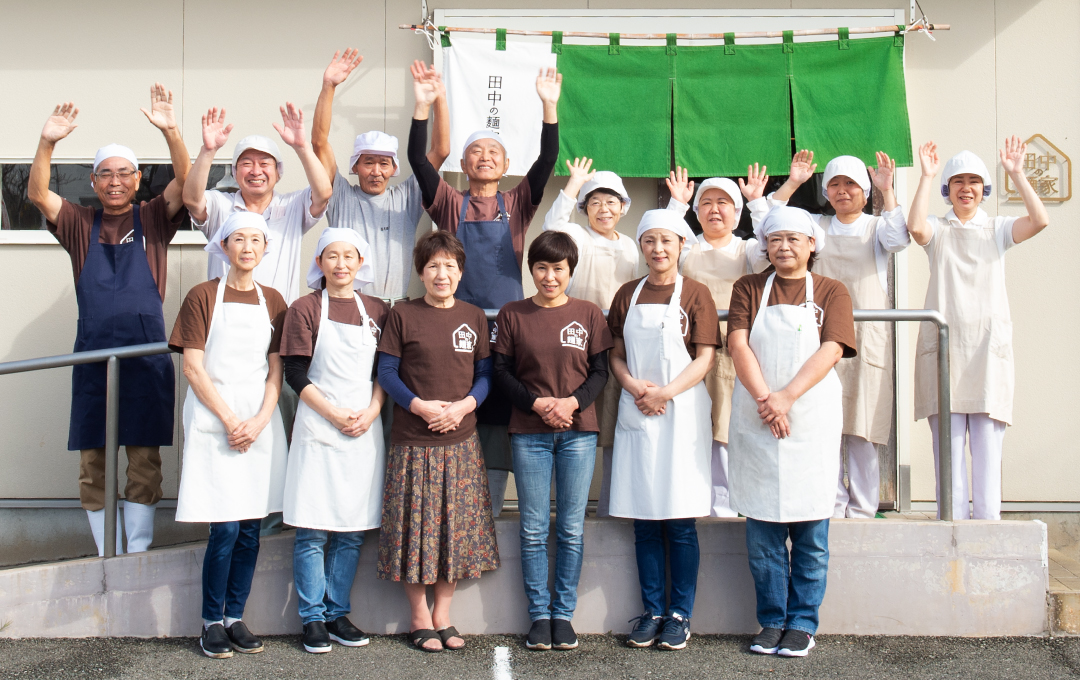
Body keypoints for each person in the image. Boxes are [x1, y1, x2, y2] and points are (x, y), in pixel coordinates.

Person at [26, 86, 190, 556]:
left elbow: (186, 181)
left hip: (145, 356)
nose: (115, 182)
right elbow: (37, 193)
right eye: (105, 175)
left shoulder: (155, 218)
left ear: (138, 179)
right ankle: (105, 555)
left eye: (123, 174)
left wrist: (170, 130)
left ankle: (134, 554)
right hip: (93, 358)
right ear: (94, 182)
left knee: (143, 462)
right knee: (93, 463)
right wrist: (47, 142)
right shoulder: (80, 223)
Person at [407, 64, 562, 515]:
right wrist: (422, 106)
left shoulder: (517, 204)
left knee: (501, 404)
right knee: (458, 400)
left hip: (508, 325)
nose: (485, 157)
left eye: (494, 151)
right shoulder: (448, 202)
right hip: (454, 324)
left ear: (507, 165)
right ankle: (450, 504)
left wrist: (549, 107)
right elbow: (419, 160)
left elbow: (547, 161)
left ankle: (488, 509)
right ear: (463, 162)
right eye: (476, 151)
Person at [727, 206, 856, 658]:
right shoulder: (748, 287)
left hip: (810, 418)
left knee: (811, 533)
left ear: (812, 244)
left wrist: (787, 397)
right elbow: (738, 343)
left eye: (794, 239)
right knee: (762, 534)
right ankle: (771, 621)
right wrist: (767, 398)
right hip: (758, 416)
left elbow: (833, 348)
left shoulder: (831, 290)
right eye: (776, 239)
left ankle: (802, 622)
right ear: (765, 244)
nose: (784, 247)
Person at [756, 150, 910, 519]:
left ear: (864, 190)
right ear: (825, 191)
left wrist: (887, 192)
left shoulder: (876, 226)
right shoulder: (815, 226)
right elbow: (766, 218)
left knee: (860, 425)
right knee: (819, 422)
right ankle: (829, 501)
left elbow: (899, 238)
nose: (843, 191)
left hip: (865, 336)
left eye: (852, 185)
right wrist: (793, 183)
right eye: (835, 184)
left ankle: (861, 507)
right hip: (815, 335)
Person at [907, 138, 1049, 520]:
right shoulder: (938, 229)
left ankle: (988, 529)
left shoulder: (998, 229)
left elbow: (1039, 220)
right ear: (947, 190)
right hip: (946, 352)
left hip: (987, 352)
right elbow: (915, 227)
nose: (965, 188)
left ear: (984, 190)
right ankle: (949, 530)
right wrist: (926, 176)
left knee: (987, 455)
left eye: (973, 181)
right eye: (957, 181)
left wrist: (1017, 174)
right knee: (948, 456)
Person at [543, 158, 694, 517]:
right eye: (595, 202)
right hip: (576, 341)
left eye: (611, 202)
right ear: (585, 209)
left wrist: (678, 205)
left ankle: (611, 505)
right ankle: (564, 508)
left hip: (619, 343)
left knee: (613, 422)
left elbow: (665, 250)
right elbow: (553, 226)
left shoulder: (631, 245)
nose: (604, 209)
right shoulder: (577, 236)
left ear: (624, 207)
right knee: (572, 422)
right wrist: (573, 185)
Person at [169, 211, 290, 659]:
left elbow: (276, 370)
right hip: (213, 417)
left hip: (258, 421)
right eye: (238, 239)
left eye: (255, 240)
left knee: (251, 528)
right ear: (224, 247)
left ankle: (236, 616)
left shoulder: (274, 300)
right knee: (224, 526)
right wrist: (229, 420)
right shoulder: (202, 296)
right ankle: (210, 621)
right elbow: (192, 367)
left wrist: (258, 419)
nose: (247, 247)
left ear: (263, 249)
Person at [376, 231, 498, 653]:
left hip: (461, 439)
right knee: (416, 529)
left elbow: (485, 375)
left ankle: (443, 614)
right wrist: (420, 407)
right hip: (413, 439)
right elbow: (387, 372)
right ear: (421, 273)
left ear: (460, 271)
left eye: (449, 266)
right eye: (433, 266)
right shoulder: (402, 314)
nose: (441, 273)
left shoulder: (474, 315)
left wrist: (464, 406)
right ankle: (418, 616)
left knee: (452, 530)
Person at [183, 102, 333, 443]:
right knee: (226, 411)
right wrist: (207, 151)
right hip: (226, 326)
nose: (255, 170)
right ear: (235, 173)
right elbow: (192, 200)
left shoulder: (291, 206)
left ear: (278, 172)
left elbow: (323, 193)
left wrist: (301, 146)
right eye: (246, 163)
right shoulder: (222, 205)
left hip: (280, 326)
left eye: (264, 163)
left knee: (280, 419)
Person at [492, 231, 613, 651]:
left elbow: (600, 372)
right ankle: (538, 615)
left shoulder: (589, 313)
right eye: (541, 267)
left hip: (578, 433)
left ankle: (564, 615)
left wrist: (571, 404)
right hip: (529, 433)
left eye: (558, 268)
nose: (549, 276)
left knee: (572, 529)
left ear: (570, 271)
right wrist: (538, 403)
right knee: (532, 529)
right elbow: (502, 373)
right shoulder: (513, 314)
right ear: (532, 270)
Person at [607, 210, 719, 651]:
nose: (658, 249)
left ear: (681, 246)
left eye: (666, 241)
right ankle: (651, 609)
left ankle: (679, 614)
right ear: (641, 246)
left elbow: (705, 356)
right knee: (645, 520)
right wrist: (635, 386)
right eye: (649, 240)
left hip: (681, 410)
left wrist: (664, 393)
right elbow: (616, 354)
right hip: (638, 408)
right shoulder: (626, 295)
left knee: (679, 521)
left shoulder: (697, 294)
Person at [280, 228, 390, 653]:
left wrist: (371, 412)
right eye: (331, 256)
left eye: (349, 256)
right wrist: (333, 412)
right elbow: (294, 372)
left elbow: (386, 371)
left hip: (364, 426)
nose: (341, 264)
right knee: (312, 528)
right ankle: (311, 619)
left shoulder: (378, 310)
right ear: (320, 263)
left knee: (351, 530)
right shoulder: (305, 308)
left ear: (361, 262)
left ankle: (336, 611)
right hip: (319, 425)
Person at [312, 51, 450, 303]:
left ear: (393, 167)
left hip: (396, 309)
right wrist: (329, 86)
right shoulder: (341, 195)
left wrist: (438, 98)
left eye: (384, 163)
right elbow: (319, 143)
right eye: (368, 163)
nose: (376, 171)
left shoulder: (406, 197)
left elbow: (440, 151)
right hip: (348, 306)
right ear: (355, 166)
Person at [678, 167, 772, 518]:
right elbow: (665, 239)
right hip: (692, 349)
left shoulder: (747, 248)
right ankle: (697, 499)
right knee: (695, 425)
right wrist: (677, 204)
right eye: (706, 203)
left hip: (736, 349)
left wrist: (757, 202)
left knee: (729, 425)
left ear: (736, 211)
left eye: (723, 203)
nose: (714, 210)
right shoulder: (687, 248)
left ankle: (729, 502)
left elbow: (768, 249)